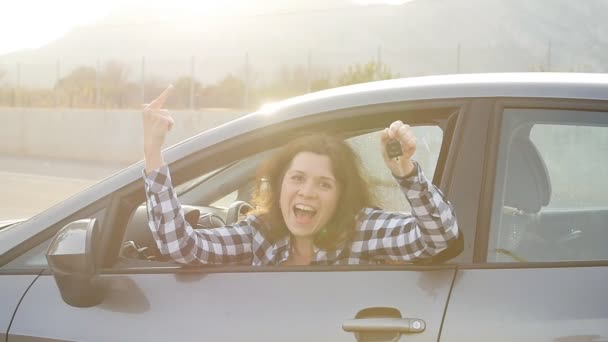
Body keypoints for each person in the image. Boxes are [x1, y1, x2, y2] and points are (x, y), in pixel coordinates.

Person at [142, 85, 459, 266]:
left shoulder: (363, 231)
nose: (307, 192)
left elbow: (439, 236)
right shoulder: (259, 234)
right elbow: (182, 246)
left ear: (340, 196)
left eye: (324, 184)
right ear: (280, 186)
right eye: (297, 178)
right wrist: (154, 151)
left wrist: (405, 172)